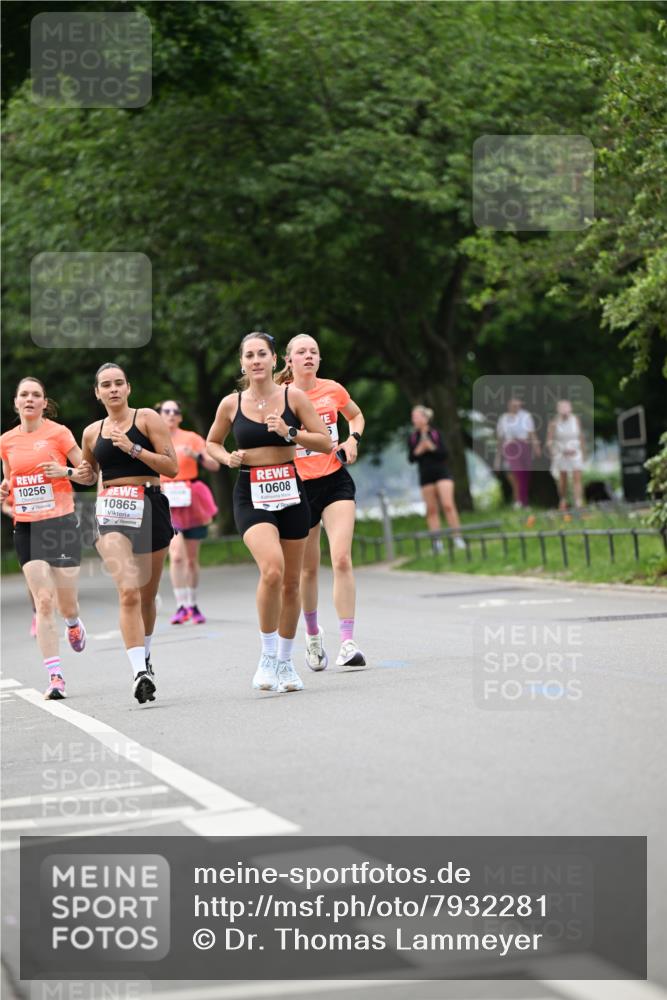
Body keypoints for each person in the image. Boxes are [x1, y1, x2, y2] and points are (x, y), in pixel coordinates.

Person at [206, 332, 331, 694]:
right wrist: (226, 457)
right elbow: (211, 442)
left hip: (291, 490)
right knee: (272, 569)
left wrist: (290, 432)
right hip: (251, 491)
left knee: (291, 582)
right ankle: (266, 655)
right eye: (250, 355)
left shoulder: (294, 397)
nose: (256, 360)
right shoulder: (231, 403)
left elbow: (325, 441)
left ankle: (285, 662)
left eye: (262, 354)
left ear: (275, 359)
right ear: (242, 363)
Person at [81, 363, 178, 705]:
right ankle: (139, 672)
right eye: (106, 385)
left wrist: (133, 448)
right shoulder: (91, 432)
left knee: (147, 596)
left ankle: (146, 656)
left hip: (150, 504)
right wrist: (68, 473)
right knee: (128, 592)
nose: (113, 389)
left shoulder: (147, 418)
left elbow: (172, 467)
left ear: (128, 388)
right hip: (112, 511)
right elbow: (88, 475)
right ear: (98, 393)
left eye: (119, 383)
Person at [276, 333, 366, 670]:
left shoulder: (333, 389)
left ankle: (348, 642)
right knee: (308, 569)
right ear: (289, 360)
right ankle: (313, 636)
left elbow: (356, 416)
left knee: (341, 558)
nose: (309, 356)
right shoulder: (280, 397)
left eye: (313, 351)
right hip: (297, 487)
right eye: (301, 352)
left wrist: (352, 439)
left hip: (334, 480)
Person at [0, 377, 89, 700]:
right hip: (27, 526)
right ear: (15, 402)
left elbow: (88, 474)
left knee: (66, 603)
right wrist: (5, 490)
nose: (29, 399)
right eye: (23, 394)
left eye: (35, 395)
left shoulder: (59, 433)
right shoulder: (6, 441)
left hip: (61, 524)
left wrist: (66, 473)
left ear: (44, 402)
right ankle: (55, 676)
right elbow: (9, 480)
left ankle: (74, 622)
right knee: (44, 601)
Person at [156, 400, 220, 625]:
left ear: (180, 417)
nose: (171, 414)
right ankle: (181, 606)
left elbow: (214, 465)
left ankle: (193, 604)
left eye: (176, 411)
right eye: (166, 411)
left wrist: (197, 456)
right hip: (167, 500)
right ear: (159, 415)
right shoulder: (154, 439)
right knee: (176, 555)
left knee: (192, 559)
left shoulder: (191, 437)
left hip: (191, 499)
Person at [408, 406, 465, 551]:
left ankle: (457, 537)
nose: (414, 420)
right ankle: (437, 542)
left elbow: (445, 453)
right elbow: (411, 458)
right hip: (425, 476)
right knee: (431, 510)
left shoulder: (436, 433)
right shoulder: (413, 437)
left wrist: (431, 447)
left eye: (416, 416)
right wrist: (419, 450)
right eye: (413, 417)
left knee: (448, 505)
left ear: (425, 418)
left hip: (442, 473)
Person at [496, 397, 541, 509]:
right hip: (510, 447)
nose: (516, 406)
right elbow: (500, 440)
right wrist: (497, 459)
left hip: (524, 446)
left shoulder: (526, 416)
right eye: (513, 404)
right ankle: (520, 501)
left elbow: (532, 433)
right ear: (509, 404)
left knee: (525, 474)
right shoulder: (503, 419)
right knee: (518, 473)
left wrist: (536, 447)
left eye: (518, 404)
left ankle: (523, 500)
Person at [2, 495, 37, 637]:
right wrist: (11, 510)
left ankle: (65, 612)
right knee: (31, 578)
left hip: (50, 530)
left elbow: (68, 493)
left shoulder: (51, 479)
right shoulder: (13, 483)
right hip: (25, 531)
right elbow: (5, 505)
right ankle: (37, 614)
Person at [547, 400, 586, 510]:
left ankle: (578, 502)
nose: (564, 410)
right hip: (561, 453)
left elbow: (580, 436)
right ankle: (563, 500)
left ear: (570, 408)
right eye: (562, 407)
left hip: (575, 452)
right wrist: (557, 452)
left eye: (566, 407)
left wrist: (583, 452)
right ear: (558, 409)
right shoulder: (554, 423)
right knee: (563, 479)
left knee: (577, 477)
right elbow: (549, 441)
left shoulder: (575, 420)